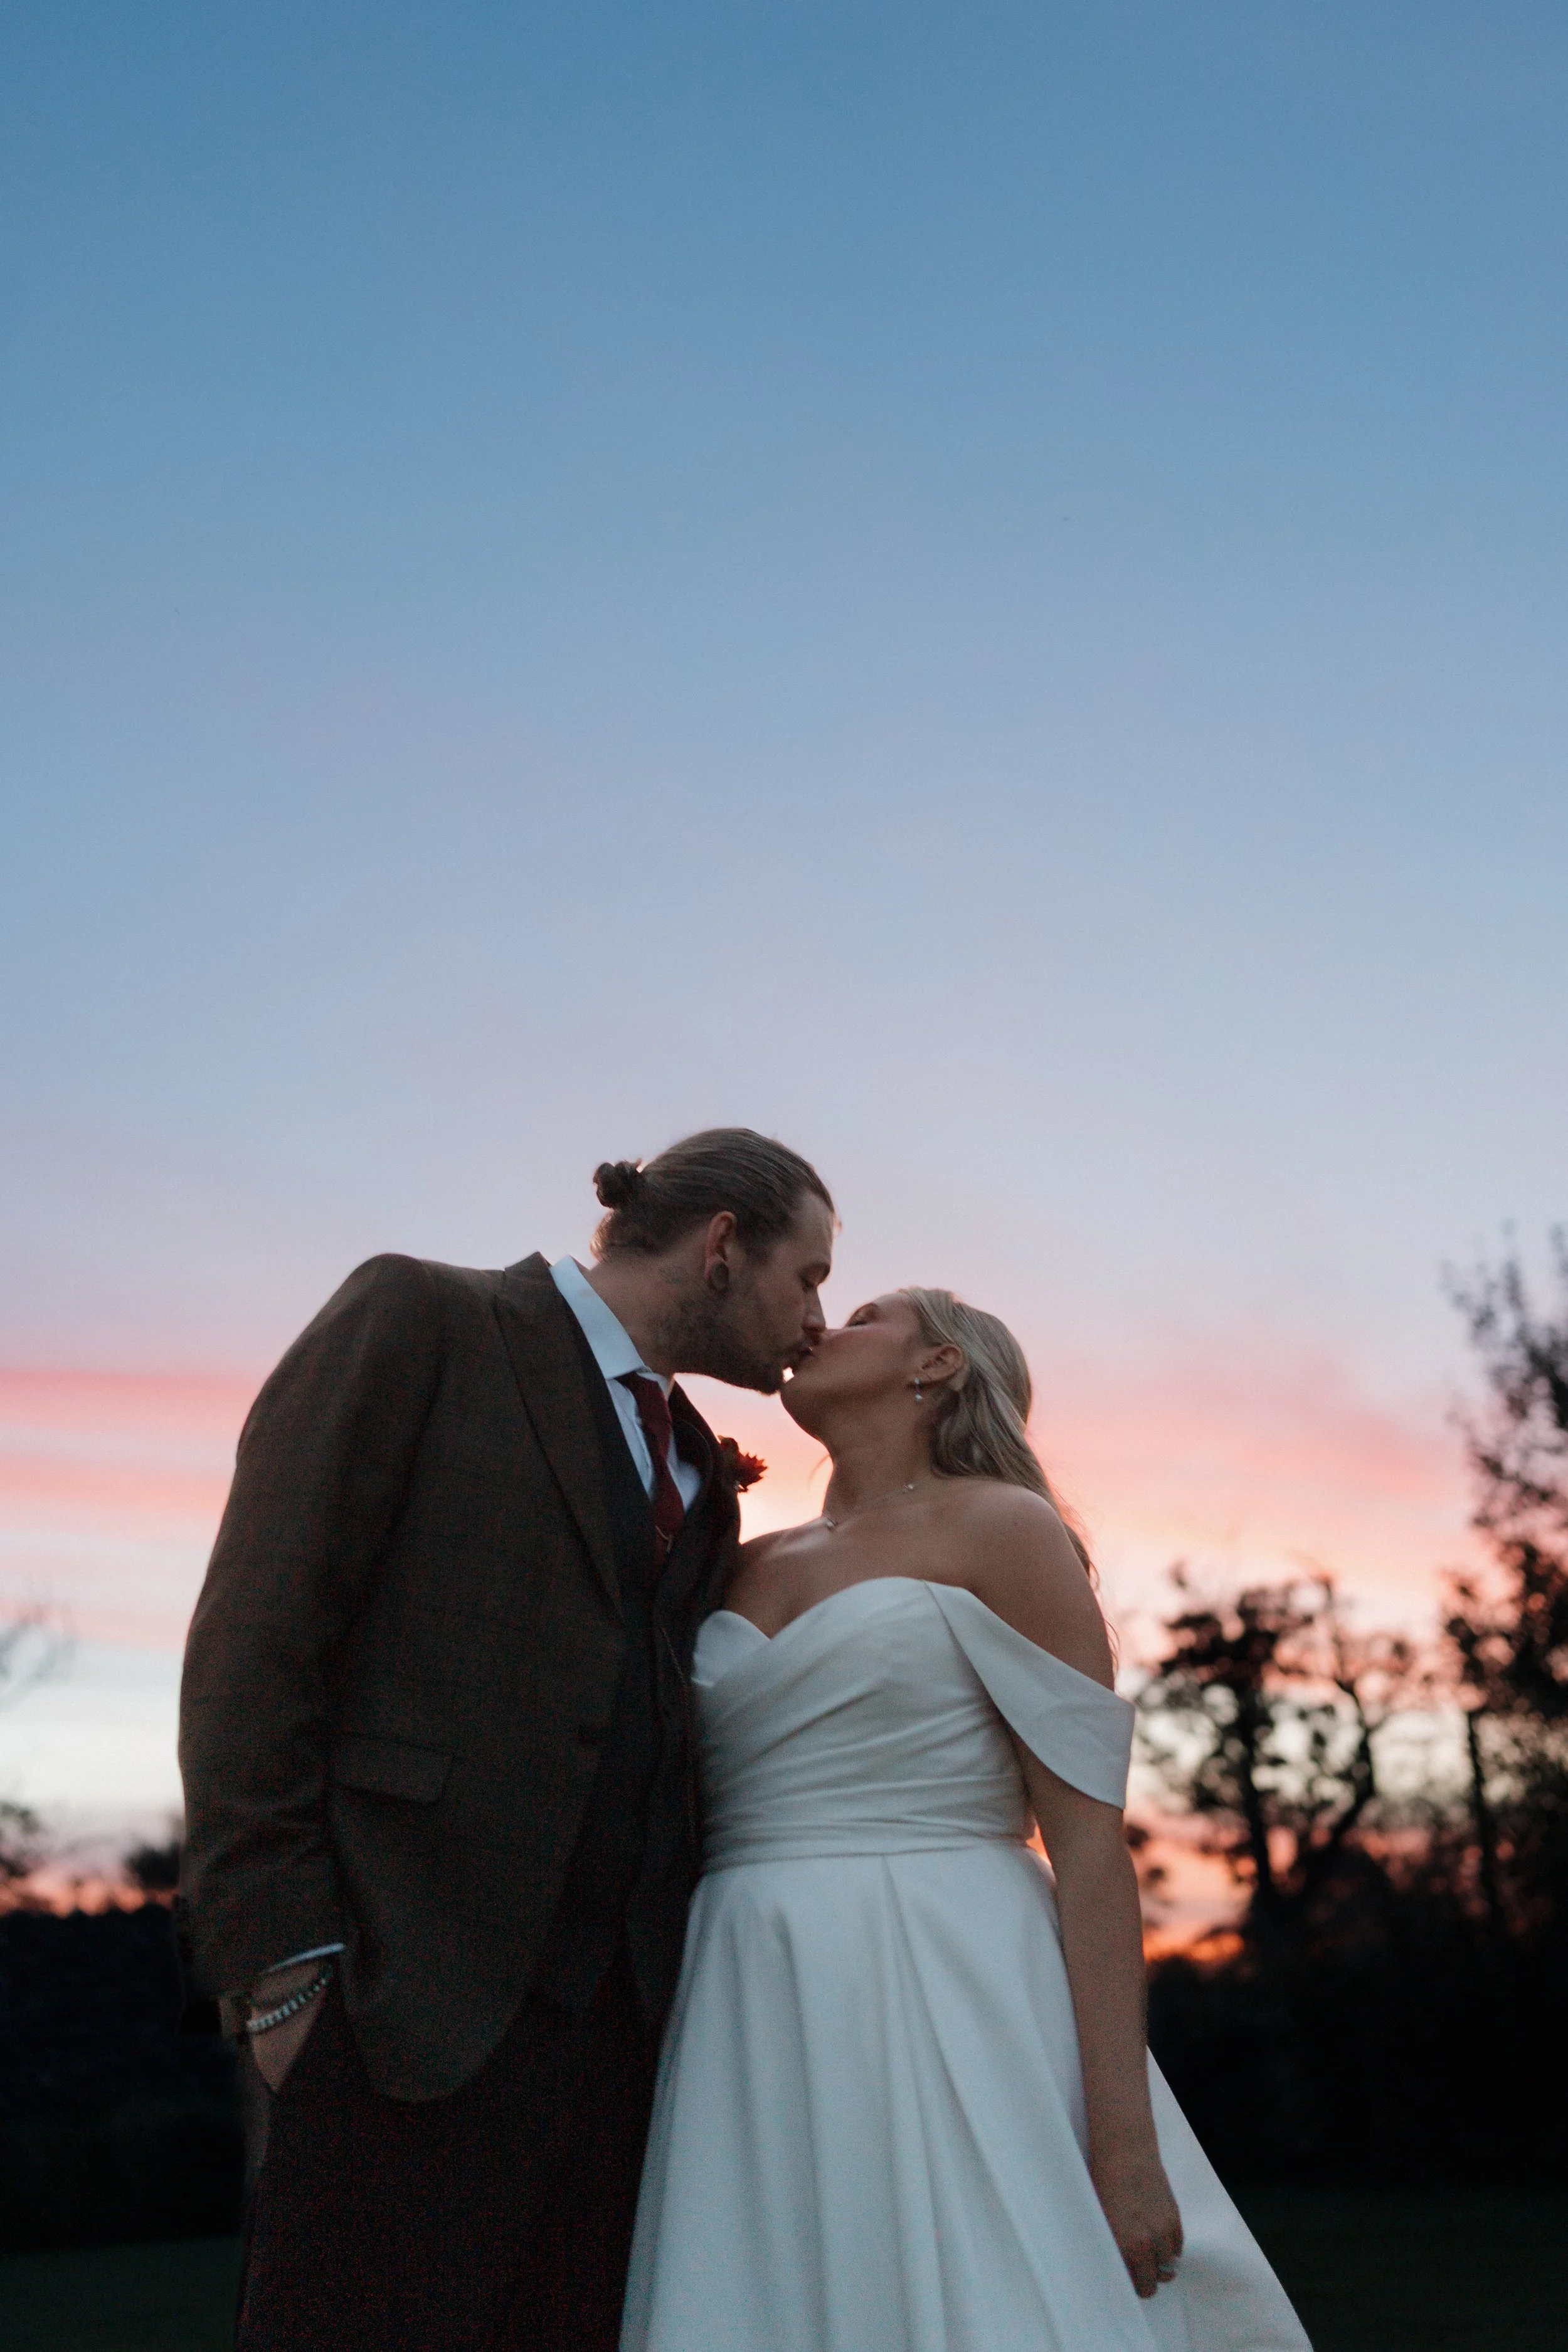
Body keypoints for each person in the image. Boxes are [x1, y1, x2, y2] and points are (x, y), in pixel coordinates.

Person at [177, 1129, 836, 2352]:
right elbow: (256, 1647)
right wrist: (282, 1976)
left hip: (624, 2058)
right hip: (397, 2012)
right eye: (807, 1276)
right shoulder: (419, 1319)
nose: (815, 1317)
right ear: (721, 1246)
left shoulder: (699, 1461)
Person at [622, 1287, 1312, 2352]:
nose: (817, 1323)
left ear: (937, 1364)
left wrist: (1124, 2142)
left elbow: (1087, 1847)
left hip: (951, 1967)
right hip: (748, 1978)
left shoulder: (1005, 1527)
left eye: (859, 1312)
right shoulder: (737, 1560)